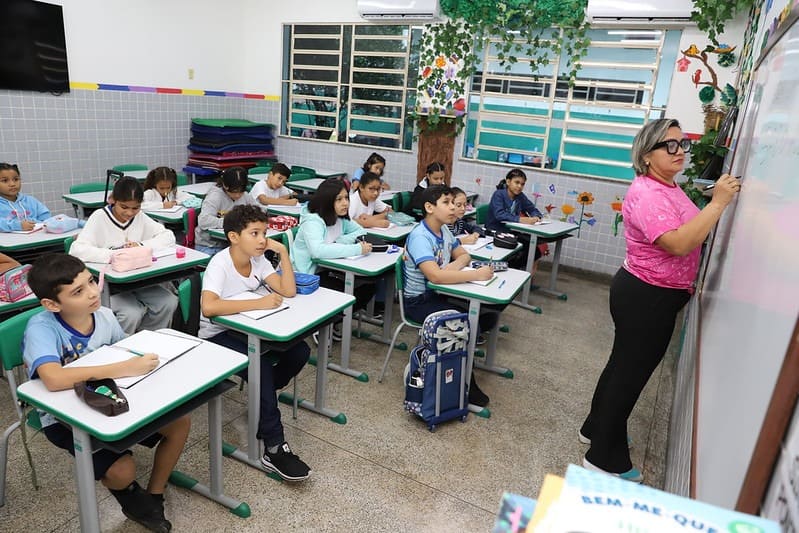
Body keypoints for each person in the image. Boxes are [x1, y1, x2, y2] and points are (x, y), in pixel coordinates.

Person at [579, 118, 739, 482]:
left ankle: (596, 428)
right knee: (630, 375)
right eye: (670, 145)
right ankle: (602, 457)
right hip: (647, 296)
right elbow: (679, 243)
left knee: (622, 366)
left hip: (648, 293)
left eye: (682, 144)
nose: (680, 151)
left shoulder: (666, 185)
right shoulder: (649, 193)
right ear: (647, 155)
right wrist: (719, 203)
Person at [23, 253, 190, 532]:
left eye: (90, 281)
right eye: (78, 291)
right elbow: (52, 379)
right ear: (51, 304)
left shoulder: (104, 315)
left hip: (110, 397)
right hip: (62, 417)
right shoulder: (41, 328)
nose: (92, 293)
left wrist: (140, 361)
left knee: (179, 424)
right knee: (122, 471)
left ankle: (155, 494)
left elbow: (124, 350)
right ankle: (129, 492)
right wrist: (124, 367)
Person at [199, 205, 311, 481]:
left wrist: (283, 252)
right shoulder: (220, 263)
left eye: (265, 233)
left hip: (249, 331)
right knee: (259, 367)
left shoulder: (259, 260)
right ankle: (274, 447)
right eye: (255, 233)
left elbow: (289, 290)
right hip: (217, 336)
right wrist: (259, 301)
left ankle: (264, 404)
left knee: (299, 350)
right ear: (234, 237)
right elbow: (208, 307)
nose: (263, 239)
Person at [403, 184, 506, 407]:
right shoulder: (420, 236)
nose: (453, 208)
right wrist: (473, 275)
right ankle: (465, 386)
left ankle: (461, 361)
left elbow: (463, 256)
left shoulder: (444, 230)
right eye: (447, 203)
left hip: (437, 292)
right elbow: (435, 277)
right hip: (418, 302)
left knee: (488, 313)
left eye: (454, 203)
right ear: (429, 207)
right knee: (465, 325)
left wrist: (449, 269)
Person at [69, 176, 178, 335]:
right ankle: (120, 347)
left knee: (168, 302)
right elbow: (76, 249)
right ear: (112, 199)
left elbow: (168, 236)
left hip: (137, 280)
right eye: (124, 207)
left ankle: (148, 339)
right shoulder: (99, 217)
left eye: (135, 208)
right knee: (131, 313)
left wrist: (141, 246)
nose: (129, 213)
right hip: (107, 285)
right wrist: (114, 255)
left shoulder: (139, 217)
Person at [292, 178, 376, 332]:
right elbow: (318, 251)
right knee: (344, 295)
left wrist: (340, 241)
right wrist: (355, 249)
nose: (345, 203)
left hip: (328, 270)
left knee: (368, 287)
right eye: (339, 199)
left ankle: (333, 322)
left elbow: (360, 231)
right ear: (326, 201)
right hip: (307, 276)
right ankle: (322, 326)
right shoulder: (313, 221)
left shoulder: (340, 218)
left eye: (346, 198)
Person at [485, 168, 544, 272]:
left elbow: (532, 209)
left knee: (535, 251)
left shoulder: (520, 196)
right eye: (517, 182)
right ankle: (510, 268)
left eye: (522, 184)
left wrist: (536, 216)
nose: (519, 186)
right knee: (521, 249)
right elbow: (499, 215)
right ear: (508, 182)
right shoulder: (498, 194)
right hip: (495, 232)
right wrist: (521, 219)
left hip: (510, 232)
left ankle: (517, 273)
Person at [194, 166, 259, 256]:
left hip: (231, 244)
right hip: (210, 246)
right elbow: (203, 220)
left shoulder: (244, 195)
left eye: (241, 192)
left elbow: (259, 210)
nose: (237, 195)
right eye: (234, 191)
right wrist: (231, 222)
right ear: (225, 185)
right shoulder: (215, 196)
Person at [0, 162, 51, 232]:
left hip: (36, 237)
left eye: (16, 179)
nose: (12, 184)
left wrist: (37, 223)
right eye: (5, 181)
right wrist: (18, 226)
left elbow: (46, 218)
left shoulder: (30, 200)